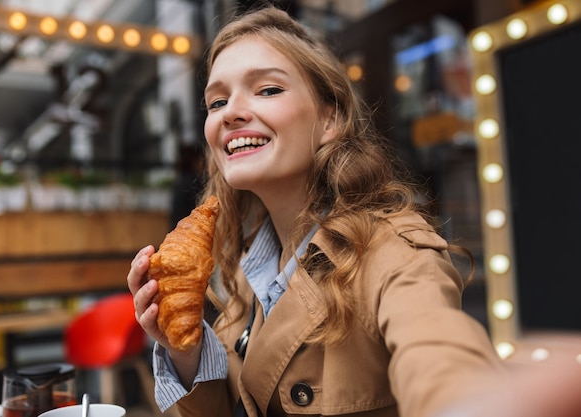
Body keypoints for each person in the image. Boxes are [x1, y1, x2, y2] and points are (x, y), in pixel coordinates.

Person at [127, 6, 513, 417]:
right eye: (217, 100)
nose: (230, 113)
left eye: (268, 90)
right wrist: (185, 352)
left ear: (329, 118)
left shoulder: (394, 255)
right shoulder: (243, 274)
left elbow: (443, 365)